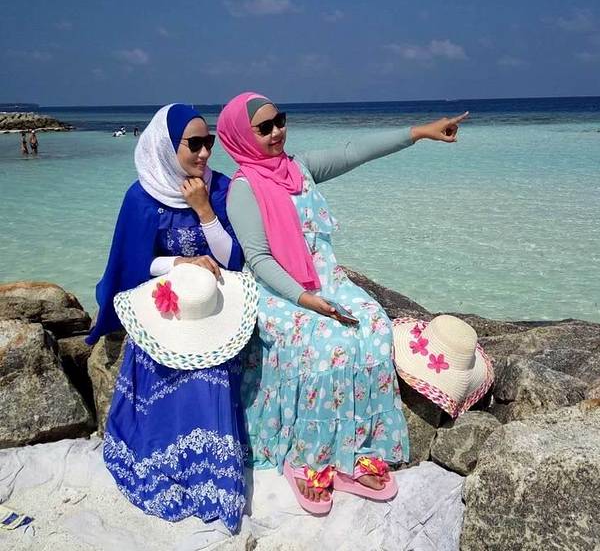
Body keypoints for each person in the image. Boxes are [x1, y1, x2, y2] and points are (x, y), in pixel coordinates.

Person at [217, 92, 468, 514]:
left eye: (280, 120)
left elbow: (355, 152)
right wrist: (306, 300)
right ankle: (306, 457)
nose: (277, 131)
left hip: (326, 280)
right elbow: (258, 260)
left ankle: (355, 451)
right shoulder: (243, 190)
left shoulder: (298, 169)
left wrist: (420, 132)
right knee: (323, 343)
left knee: (374, 328)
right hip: (279, 292)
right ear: (242, 135)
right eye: (264, 128)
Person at [86, 104, 246, 532]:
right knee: (159, 368)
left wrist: (204, 210)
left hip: (212, 306)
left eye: (209, 142)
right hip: (166, 303)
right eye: (194, 144)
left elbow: (234, 259)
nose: (205, 153)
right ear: (166, 146)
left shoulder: (219, 188)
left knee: (212, 372)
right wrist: (179, 263)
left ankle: (210, 476)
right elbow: (132, 263)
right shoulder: (141, 197)